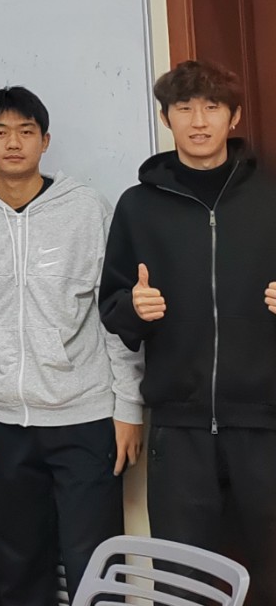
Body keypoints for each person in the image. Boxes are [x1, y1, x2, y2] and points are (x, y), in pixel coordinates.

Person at [0, 87, 143, 606]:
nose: (13, 143)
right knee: (18, 569)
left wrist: (128, 408)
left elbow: (114, 314)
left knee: (95, 569)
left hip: (85, 417)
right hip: (1, 422)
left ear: (45, 141)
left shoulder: (88, 209)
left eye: (26, 132)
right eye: (0, 133)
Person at [101, 60, 276, 604]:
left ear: (234, 117)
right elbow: (112, 307)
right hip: (179, 431)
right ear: (165, 118)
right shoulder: (138, 206)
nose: (199, 121)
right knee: (184, 584)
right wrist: (135, 307)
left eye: (212, 108)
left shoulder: (270, 195)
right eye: (184, 108)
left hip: (265, 425)